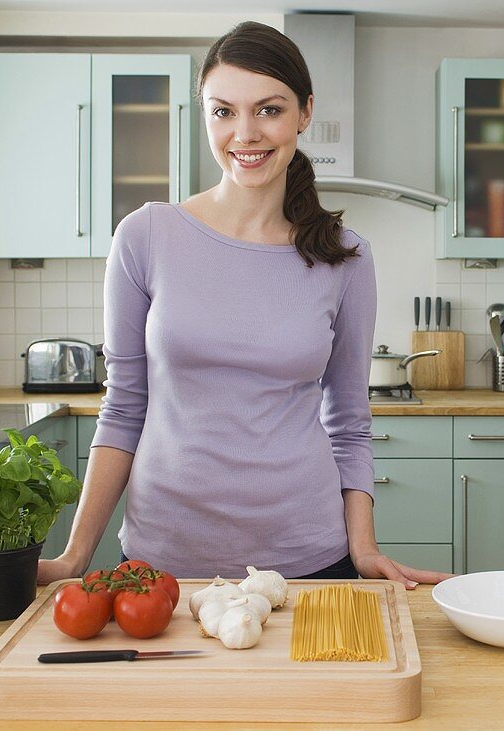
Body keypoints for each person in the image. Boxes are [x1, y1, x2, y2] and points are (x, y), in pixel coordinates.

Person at [38, 21, 452, 588]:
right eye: (224, 111)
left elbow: (350, 421)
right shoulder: (145, 236)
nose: (246, 133)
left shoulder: (347, 257)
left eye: (269, 109)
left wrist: (364, 548)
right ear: (204, 115)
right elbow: (124, 408)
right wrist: (73, 558)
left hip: (309, 559)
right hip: (164, 563)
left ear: (304, 113)